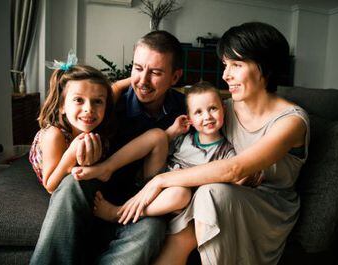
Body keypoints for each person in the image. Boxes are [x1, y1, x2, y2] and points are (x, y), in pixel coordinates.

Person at [116, 22, 310, 265]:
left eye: (236, 65)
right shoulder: (221, 109)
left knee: (210, 193)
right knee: (185, 233)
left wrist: (160, 180)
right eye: (225, 65)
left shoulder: (291, 121)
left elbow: (235, 168)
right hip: (226, 191)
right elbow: (174, 92)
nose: (225, 75)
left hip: (268, 207)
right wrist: (116, 87)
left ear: (265, 68)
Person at [30, 30, 185, 265]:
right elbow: (97, 91)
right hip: (97, 191)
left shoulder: (188, 110)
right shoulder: (109, 103)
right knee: (73, 181)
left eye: (155, 72)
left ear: (175, 77)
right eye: (138, 68)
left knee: (153, 228)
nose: (142, 81)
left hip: (137, 200)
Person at [73, 81, 237, 224]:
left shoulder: (226, 151)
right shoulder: (185, 138)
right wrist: (173, 130)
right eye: (199, 112)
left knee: (181, 193)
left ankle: (119, 213)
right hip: (151, 185)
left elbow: (235, 174)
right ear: (190, 119)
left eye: (213, 108)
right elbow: (159, 146)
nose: (207, 116)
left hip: (176, 201)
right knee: (157, 135)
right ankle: (106, 168)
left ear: (223, 109)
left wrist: (250, 177)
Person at [28, 60, 115, 194]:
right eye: (79, 100)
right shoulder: (54, 135)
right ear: (62, 105)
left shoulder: (97, 128)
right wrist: (71, 154)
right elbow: (50, 187)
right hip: (54, 172)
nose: (89, 109)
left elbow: (117, 88)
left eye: (98, 101)